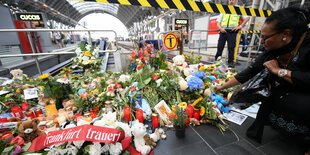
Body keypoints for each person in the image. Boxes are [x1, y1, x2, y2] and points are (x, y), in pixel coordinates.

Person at [214, 7, 310, 152]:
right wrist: (221, 87)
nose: (262, 41)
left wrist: (279, 71)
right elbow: (249, 72)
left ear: (286, 34)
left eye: (266, 37)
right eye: (261, 36)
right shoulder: (274, 49)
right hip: (284, 92)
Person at [215, 0, 250, 67]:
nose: (231, 1)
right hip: (223, 31)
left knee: (231, 47)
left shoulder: (238, 9)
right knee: (220, 46)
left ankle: (230, 63)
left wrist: (240, 26)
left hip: (232, 31)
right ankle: (217, 61)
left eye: (233, 0)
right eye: (230, 0)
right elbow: (218, 22)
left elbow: (247, 18)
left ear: (236, 1)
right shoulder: (224, 9)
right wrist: (220, 28)